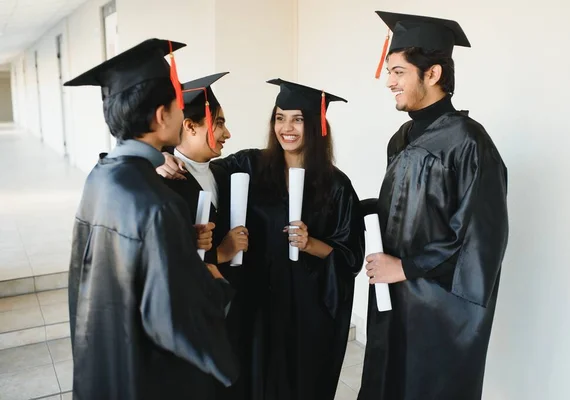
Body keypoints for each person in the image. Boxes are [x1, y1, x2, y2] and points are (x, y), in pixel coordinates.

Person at [160, 78, 365, 400]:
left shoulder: (336, 186)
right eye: (280, 117)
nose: (287, 128)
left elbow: (350, 256)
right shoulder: (248, 165)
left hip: (305, 306)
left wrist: (310, 243)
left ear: (315, 125)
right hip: (254, 303)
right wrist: (160, 157)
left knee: (298, 383)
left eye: (298, 119)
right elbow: (195, 167)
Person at [64, 38, 238, 400]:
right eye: (177, 106)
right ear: (162, 116)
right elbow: (175, 318)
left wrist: (177, 240)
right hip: (147, 375)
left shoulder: (101, 177)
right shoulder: (157, 203)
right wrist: (216, 282)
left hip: (104, 359)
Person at [357, 12, 509, 400]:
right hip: (393, 300)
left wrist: (405, 267)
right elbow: (409, 212)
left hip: (437, 313)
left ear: (433, 74)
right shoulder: (401, 138)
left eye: (398, 72)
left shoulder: (469, 143)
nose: (388, 81)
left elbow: (478, 240)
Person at [158, 72, 251, 400]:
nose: (227, 133)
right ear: (190, 125)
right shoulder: (164, 182)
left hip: (226, 313)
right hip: (189, 321)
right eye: (220, 122)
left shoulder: (221, 173)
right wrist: (221, 254)